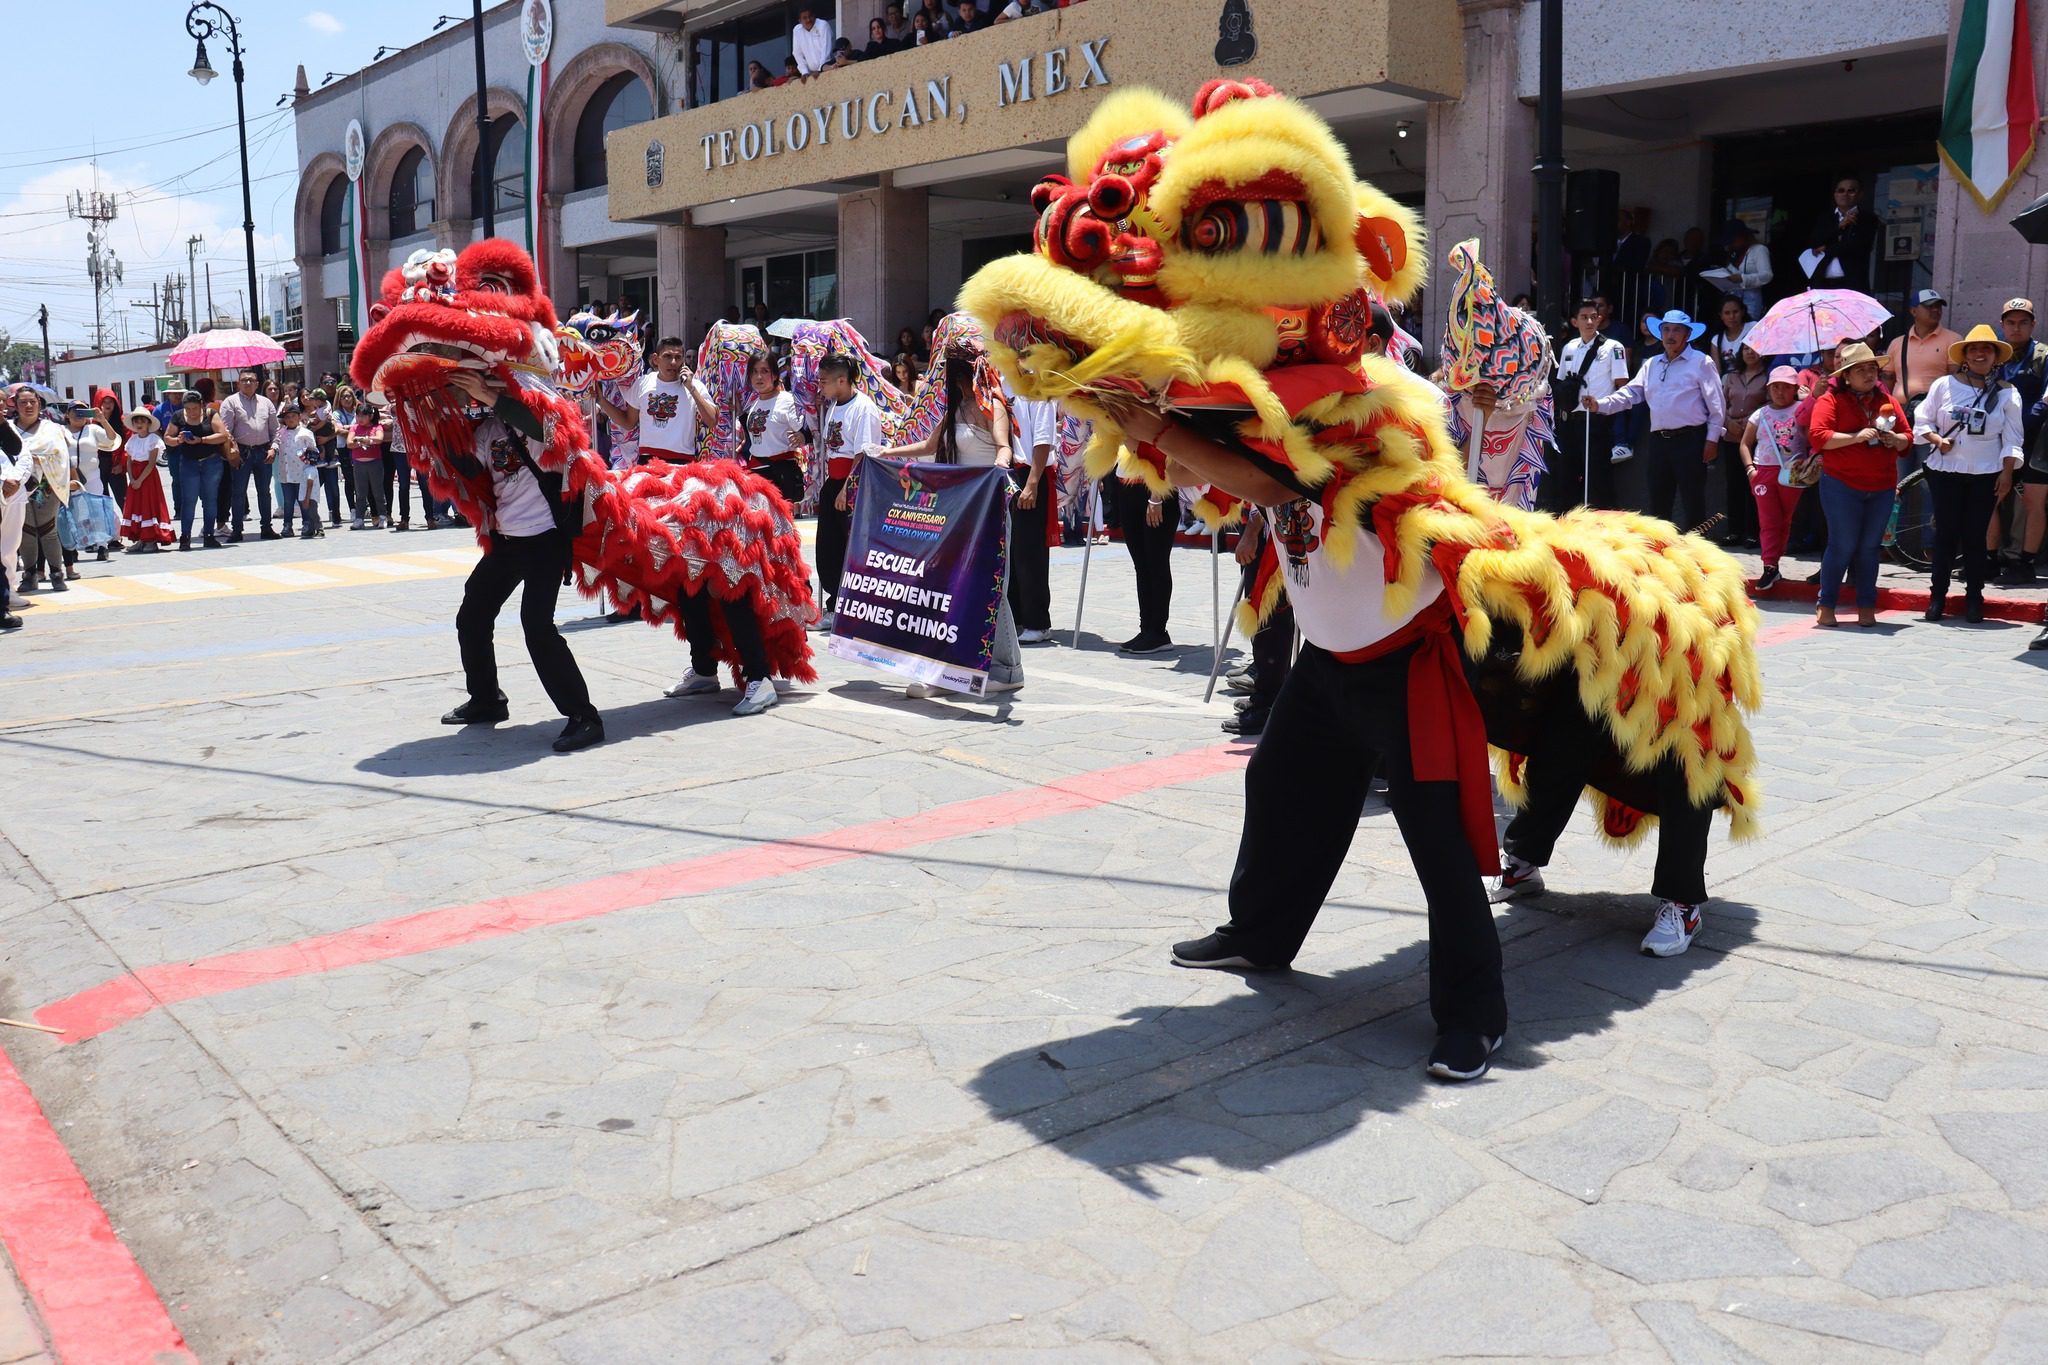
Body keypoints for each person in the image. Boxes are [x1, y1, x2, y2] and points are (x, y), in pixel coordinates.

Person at [1112, 399, 1508, 1080]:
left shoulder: (1355, 416)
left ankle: (1476, 1015)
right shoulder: (1257, 412)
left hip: (1405, 661)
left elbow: (1273, 484)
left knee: (1435, 835)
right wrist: (1158, 416)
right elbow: (1182, 470)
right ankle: (1261, 935)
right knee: (1275, 780)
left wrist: (1163, 429)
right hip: (1327, 660)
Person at [439, 369, 606, 754]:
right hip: (508, 541)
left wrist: (492, 395)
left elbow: (545, 432)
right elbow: (468, 468)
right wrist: (433, 423)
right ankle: (487, 699)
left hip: (546, 539)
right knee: (473, 613)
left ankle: (585, 717)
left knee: (537, 625)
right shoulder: (487, 431)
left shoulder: (538, 420)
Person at [874, 348, 1026, 697]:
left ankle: (1007, 668)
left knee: (991, 586)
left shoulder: (995, 406)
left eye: (960, 376)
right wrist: (889, 453)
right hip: (958, 509)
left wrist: (1000, 468)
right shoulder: (955, 410)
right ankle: (951, 666)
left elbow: (1005, 448)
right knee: (948, 585)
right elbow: (929, 445)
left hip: (987, 505)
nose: (960, 384)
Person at [1916, 326, 2024, 622]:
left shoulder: (2007, 393)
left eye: (1986, 349)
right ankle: (1937, 597)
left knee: (1976, 538)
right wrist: (1937, 440)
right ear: (1964, 355)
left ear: (1995, 357)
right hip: (1946, 471)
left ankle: (1974, 598)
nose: (1980, 354)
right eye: (1974, 349)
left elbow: (2014, 438)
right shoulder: (1944, 385)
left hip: (1987, 473)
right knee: (1946, 535)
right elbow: (1923, 420)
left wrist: (2007, 473)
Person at [1585, 309, 1724, 530]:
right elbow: (1631, 393)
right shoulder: (1651, 364)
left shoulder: (1701, 362)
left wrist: (1712, 439)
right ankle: (1663, 556)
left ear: (1687, 334)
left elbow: (1716, 404)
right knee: (1659, 501)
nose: (1671, 335)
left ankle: (1698, 558)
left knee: (1693, 501)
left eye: (1677, 330)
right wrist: (1601, 404)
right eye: (1666, 329)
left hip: (1691, 439)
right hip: (1659, 440)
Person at [1807, 341, 1911, 627]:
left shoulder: (1885, 398)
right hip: (1842, 483)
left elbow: (1907, 438)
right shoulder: (1830, 399)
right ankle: (1826, 603)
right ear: (1846, 375)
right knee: (1842, 544)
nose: (1869, 375)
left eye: (1872, 369)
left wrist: (1894, 439)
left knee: (1869, 547)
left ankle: (1867, 605)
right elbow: (1819, 437)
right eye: (1861, 370)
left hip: (1881, 485)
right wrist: (1857, 436)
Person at [812, 353, 883, 631]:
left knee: (852, 549)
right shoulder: (833, 405)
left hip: (853, 485)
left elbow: (863, 453)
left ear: (842, 380)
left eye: (824, 381)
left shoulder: (863, 408)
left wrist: (847, 490)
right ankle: (835, 604)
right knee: (828, 548)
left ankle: (856, 608)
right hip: (834, 482)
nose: (820, 386)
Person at [1552, 299, 1631, 510]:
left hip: (1596, 420)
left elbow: (1622, 385)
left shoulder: (1613, 347)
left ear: (1600, 319)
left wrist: (1609, 412)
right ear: (1574, 321)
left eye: (1593, 317)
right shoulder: (1569, 347)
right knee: (1568, 475)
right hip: (1571, 420)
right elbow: (1561, 382)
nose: (1589, 321)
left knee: (1598, 478)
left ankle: (1604, 526)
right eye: (1583, 317)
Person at [1739, 367, 1810, 591]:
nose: (1780, 392)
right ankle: (1769, 565)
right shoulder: (1760, 414)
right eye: (1775, 387)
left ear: (1795, 389)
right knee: (1768, 520)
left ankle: (1775, 561)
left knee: (1784, 519)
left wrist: (1809, 401)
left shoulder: (1801, 410)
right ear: (1768, 389)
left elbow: (1811, 437)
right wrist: (1751, 469)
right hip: (1763, 471)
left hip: (1792, 471)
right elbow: (1745, 444)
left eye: (1786, 387)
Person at [597, 336, 716, 466]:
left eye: (678, 357)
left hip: (682, 462)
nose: (673, 362)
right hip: (648, 462)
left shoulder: (695, 386)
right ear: (655, 359)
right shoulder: (643, 383)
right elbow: (628, 422)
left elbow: (712, 420)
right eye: (667, 356)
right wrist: (601, 400)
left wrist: (691, 388)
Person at [1994, 298, 2048, 585]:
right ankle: (1991, 557)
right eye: (2011, 322)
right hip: (1996, 436)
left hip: (2036, 439)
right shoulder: (1993, 353)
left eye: (2023, 322)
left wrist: (2026, 420)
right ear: (2002, 325)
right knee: (1993, 496)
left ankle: (2023, 562)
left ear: (2033, 324)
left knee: (2030, 502)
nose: (2016, 328)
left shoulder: (2043, 354)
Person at [1006, 389, 1057, 643]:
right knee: (1012, 552)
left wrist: (1033, 483)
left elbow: (1043, 439)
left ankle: (1038, 621)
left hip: (1030, 474)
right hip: (1009, 473)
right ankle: (1017, 616)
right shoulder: (1001, 382)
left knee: (1030, 553)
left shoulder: (1038, 387)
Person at [13, 394, 72, 593]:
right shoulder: (8, 429)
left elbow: (61, 454)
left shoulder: (52, 428)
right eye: (23, 402)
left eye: (32, 402)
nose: (28, 406)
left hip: (47, 482)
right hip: (18, 485)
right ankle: (30, 575)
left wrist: (35, 459)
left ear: (39, 404)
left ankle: (56, 573)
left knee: (48, 529)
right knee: (26, 530)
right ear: (16, 405)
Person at [218, 370, 281, 541]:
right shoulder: (230, 402)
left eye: (251, 380)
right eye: (244, 380)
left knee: (264, 492)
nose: (247, 383)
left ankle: (266, 528)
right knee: (238, 492)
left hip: (263, 451)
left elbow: (275, 429)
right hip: (242, 452)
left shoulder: (266, 403)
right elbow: (226, 430)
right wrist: (233, 452)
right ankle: (237, 530)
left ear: (257, 383)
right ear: (238, 383)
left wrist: (273, 448)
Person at [1717, 338, 1768, 546]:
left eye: (1754, 349)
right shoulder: (1730, 377)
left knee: (1753, 485)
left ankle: (1752, 532)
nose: (1750, 353)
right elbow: (1720, 403)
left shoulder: (1767, 377)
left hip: (1754, 437)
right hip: (1730, 436)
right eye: (1746, 349)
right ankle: (1734, 531)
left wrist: (1748, 423)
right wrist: (1728, 422)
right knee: (1733, 485)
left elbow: (1769, 403)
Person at [164, 390, 229, 551]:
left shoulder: (211, 414)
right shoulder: (178, 417)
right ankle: (185, 537)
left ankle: (209, 535)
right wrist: (178, 440)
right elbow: (167, 438)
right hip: (188, 463)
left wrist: (201, 440)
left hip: (211, 462)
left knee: (210, 499)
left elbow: (222, 435)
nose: (191, 413)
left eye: (195, 408)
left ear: (201, 405)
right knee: (189, 501)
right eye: (188, 409)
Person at [741, 352, 805, 505]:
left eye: (764, 371)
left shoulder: (787, 401)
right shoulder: (753, 404)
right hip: (757, 471)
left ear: (775, 375)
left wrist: (802, 436)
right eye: (754, 372)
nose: (759, 377)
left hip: (781, 473)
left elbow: (804, 431)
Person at [1807, 176, 1882, 291]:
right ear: (1835, 194)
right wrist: (1839, 227)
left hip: (1851, 283)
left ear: (1860, 194)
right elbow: (1815, 241)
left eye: (1850, 191)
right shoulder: (1825, 218)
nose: (1845, 194)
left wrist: (1826, 249)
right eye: (1841, 190)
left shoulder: (1867, 218)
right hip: (1823, 283)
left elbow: (1857, 246)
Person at [118, 407, 174, 552]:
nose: (139, 423)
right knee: (137, 506)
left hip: (148, 477)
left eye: (143, 420)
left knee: (149, 504)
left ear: (148, 423)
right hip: (135, 476)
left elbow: (151, 463)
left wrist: (140, 480)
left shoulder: (153, 440)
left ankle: (151, 539)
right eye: (136, 421)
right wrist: (131, 478)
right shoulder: (132, 440)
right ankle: (141, 539)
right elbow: (129, 461)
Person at [270, 403, 319, 539]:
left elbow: (313, 451)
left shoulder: (305, 433)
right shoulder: (281, 433)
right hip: (286, 472)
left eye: (293, 416)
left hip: (301, 472)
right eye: (287, 417)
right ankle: (287, 525)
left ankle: (307, 523)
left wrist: (310, 464)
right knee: (288, 500)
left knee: (303, 499)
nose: (290, 419)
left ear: (299, 417)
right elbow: (276, 444)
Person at [347, 399, 391, 529]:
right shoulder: (355, 427)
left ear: (370, 416)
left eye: (363, 416)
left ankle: (382, 516)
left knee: (378, 491)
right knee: (360, 493)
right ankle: (359, 518)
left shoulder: (376, 427)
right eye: (358, 415)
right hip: (359, 464)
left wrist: (368, 440)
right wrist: (361, 442)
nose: (360, 418)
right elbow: (349, 443)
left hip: (374, 463)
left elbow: (379, 439)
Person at [1720, 221, 1772, 321]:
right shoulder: (1733, 254)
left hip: (1752, 301)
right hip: (1733, 300)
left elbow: (1767, 275)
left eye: (1733, 240)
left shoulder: (1759, 250)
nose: (1732, 244)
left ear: (1743, 237)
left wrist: (1743, 278)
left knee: (1749, 328)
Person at [1708, 298, 1750, 375]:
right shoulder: (1716, 340)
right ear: (1721, 316)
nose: (1732, 316)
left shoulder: (1753, 328)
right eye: (1727, 313)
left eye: (1735, 312)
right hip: (1728, 383)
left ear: (1743, 312)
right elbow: (1717, 371)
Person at [791, 6, 833, 76]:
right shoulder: (797, 30)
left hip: (828, 67)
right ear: (800, 21)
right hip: (811, 74)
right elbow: (797, 53)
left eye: (810, 16)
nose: (808, 20)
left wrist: (821, 69)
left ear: (814, 16)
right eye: (804, 18)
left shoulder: (823, 25)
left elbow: (826, 49)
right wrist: (804, 71)